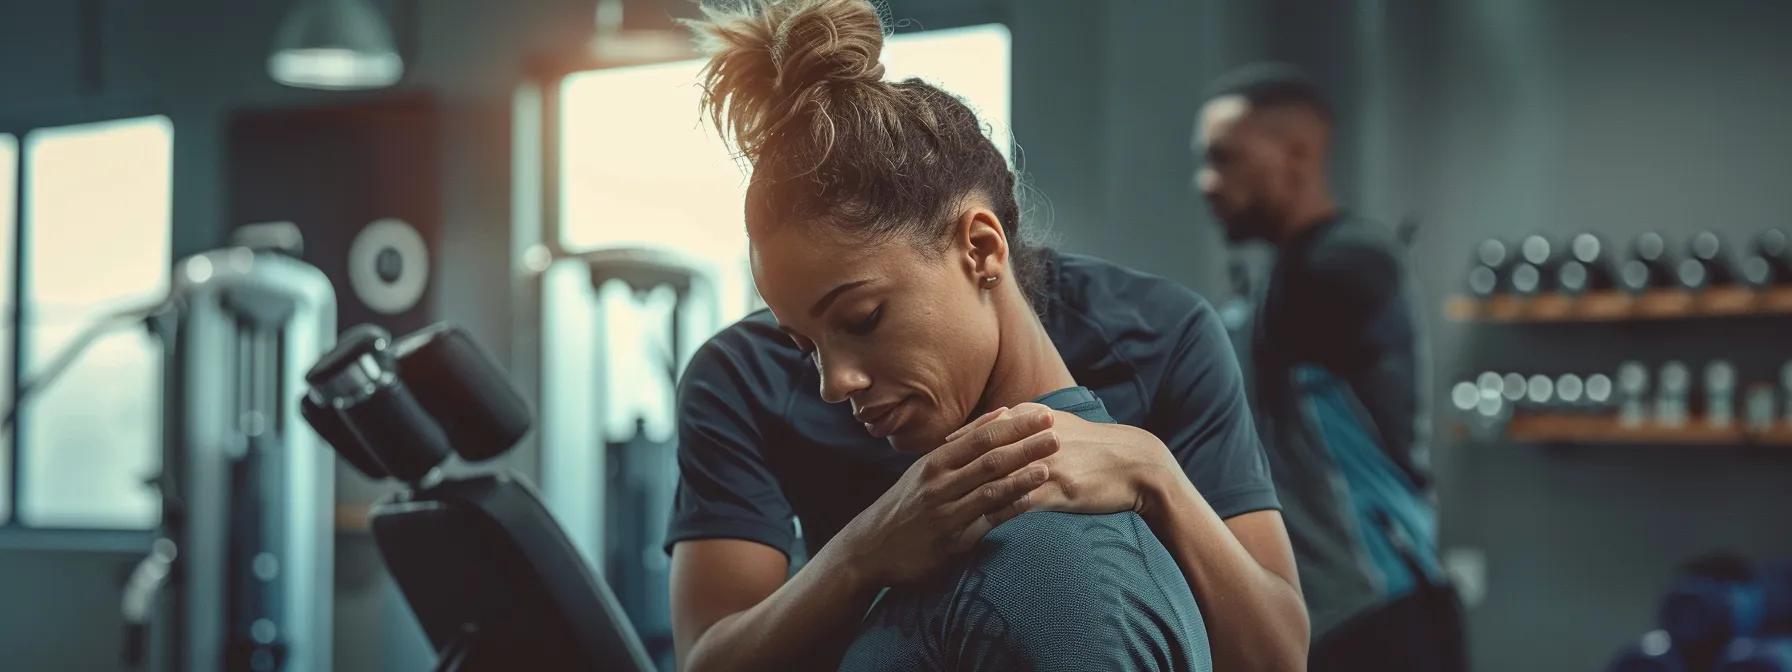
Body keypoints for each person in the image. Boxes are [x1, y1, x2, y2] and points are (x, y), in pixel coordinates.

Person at [666, 1, 1310, 670]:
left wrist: (1152, 473)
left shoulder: (1158, 335)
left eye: (862, 320)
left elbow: (1277, 656)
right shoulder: (740, 377)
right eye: (803, 342)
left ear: (980, 248)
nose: (835, 382)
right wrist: (865, 552)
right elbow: (708, 660)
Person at [1193, 63, 1466, 670]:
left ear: (1297, 154)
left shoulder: (1342, 263)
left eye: (1225, 158)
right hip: (1329, 616)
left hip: (1382, 613)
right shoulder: (1288, 272)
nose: (1206, 182)